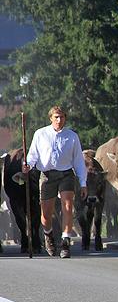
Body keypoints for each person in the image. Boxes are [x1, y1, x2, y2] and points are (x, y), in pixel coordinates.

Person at [24, 106, 88, 259]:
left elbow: (78, 161)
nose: (59, 120)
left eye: (62, 117)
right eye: (56, 117)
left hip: (66, 174)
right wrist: (27, 165)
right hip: (47, 175)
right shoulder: (41, 134)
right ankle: (48, 235)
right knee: (46, 214)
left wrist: (83, 182)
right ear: (50, 118)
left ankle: (65, 241)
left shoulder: (72, 136)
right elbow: (33, 155)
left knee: (68, 205)